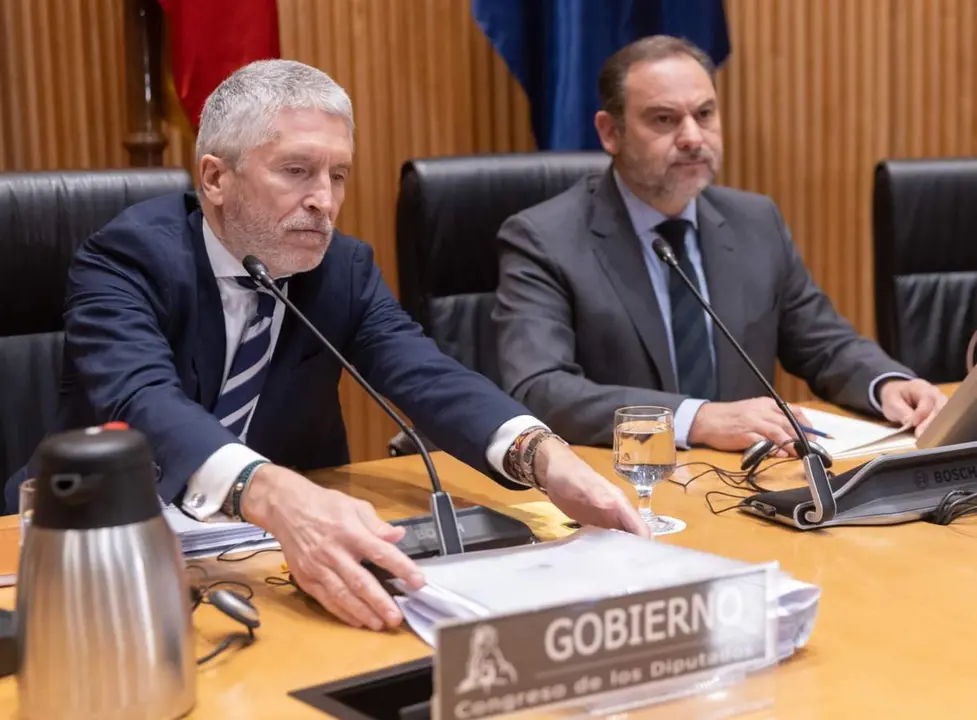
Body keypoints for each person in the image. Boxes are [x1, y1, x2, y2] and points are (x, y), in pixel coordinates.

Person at [5, 59, 648, 631]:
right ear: (215, 177)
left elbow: (422, 372)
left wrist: (542, 456)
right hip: (92, 549)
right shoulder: (126, 260)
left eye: (338, 175)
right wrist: (274, 495)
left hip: (274, 558)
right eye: (297, 171)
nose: (325, 201)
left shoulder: (342, 268)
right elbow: (140, 398)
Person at [492, 35, 947, 453]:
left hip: (748, 485)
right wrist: (696, 419)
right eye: (664, 119)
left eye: (704, 114)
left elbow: (823, 344)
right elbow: (540, 387)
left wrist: (886, 384)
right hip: (623, 488)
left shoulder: (754, 220)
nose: (692, 137)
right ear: (610, 132)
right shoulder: (544, 238)